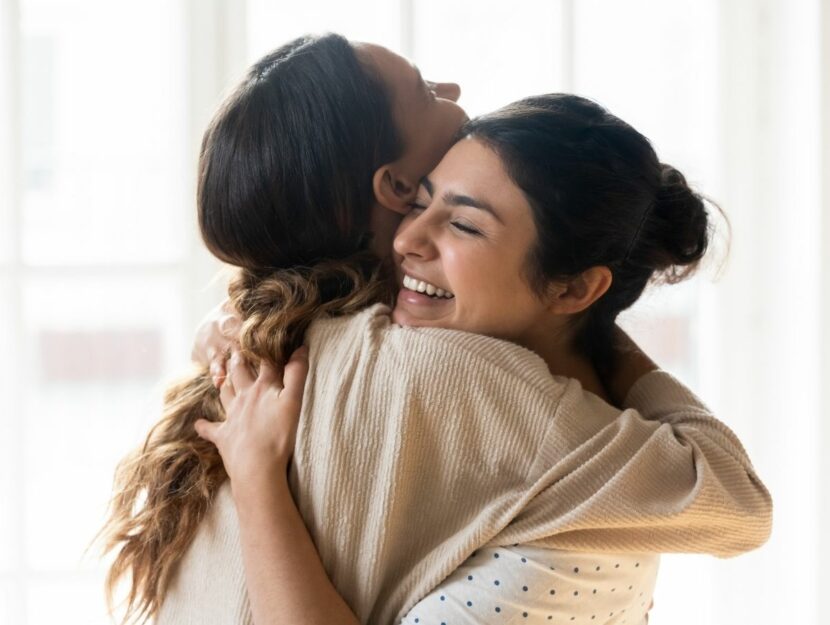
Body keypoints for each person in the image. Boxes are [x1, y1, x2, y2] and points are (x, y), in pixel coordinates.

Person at [97, 34, 771, 625]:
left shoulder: (265, 340)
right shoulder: (448, 373)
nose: (454, 92)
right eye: (424, 88)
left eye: (463, 218)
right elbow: (735, 502)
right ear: (394, 187)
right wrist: (593, 321)